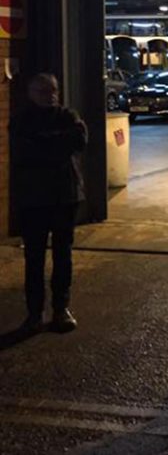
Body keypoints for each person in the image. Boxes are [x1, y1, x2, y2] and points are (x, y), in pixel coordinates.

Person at [11, 74, 87, 333]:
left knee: (62, 254)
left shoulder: (68, 115)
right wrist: (58, 143)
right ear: (31, 92)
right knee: (34, 258)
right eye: (43, 90)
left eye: (53, 90)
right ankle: (34, 313)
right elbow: (25, 150)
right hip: (34, 198)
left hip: (65, 196)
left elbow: (80, 140)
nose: (50, 94)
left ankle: (60, 309)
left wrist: (45, 141)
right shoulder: (22, 119)